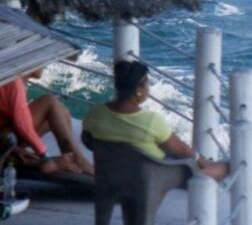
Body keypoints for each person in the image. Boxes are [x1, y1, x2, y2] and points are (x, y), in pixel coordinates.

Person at [82, 60, 228, 181]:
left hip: (112, 174)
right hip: (149, 178)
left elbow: (86, 140)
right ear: (139, 89)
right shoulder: (151, 120)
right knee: (225, 167)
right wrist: (203, 161)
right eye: (147, 83)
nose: (148, 88)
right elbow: (182, 150)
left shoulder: (96, 112)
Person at [0, 68, 94, 175]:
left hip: (6, 136)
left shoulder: (9, 76)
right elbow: (22, 124)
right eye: (43, 63)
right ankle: (77, 160)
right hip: (4, 138)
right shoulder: (13, 82)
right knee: (49, 101)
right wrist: (45, 156)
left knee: (62, 111)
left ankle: (71, 159)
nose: (45, 66)